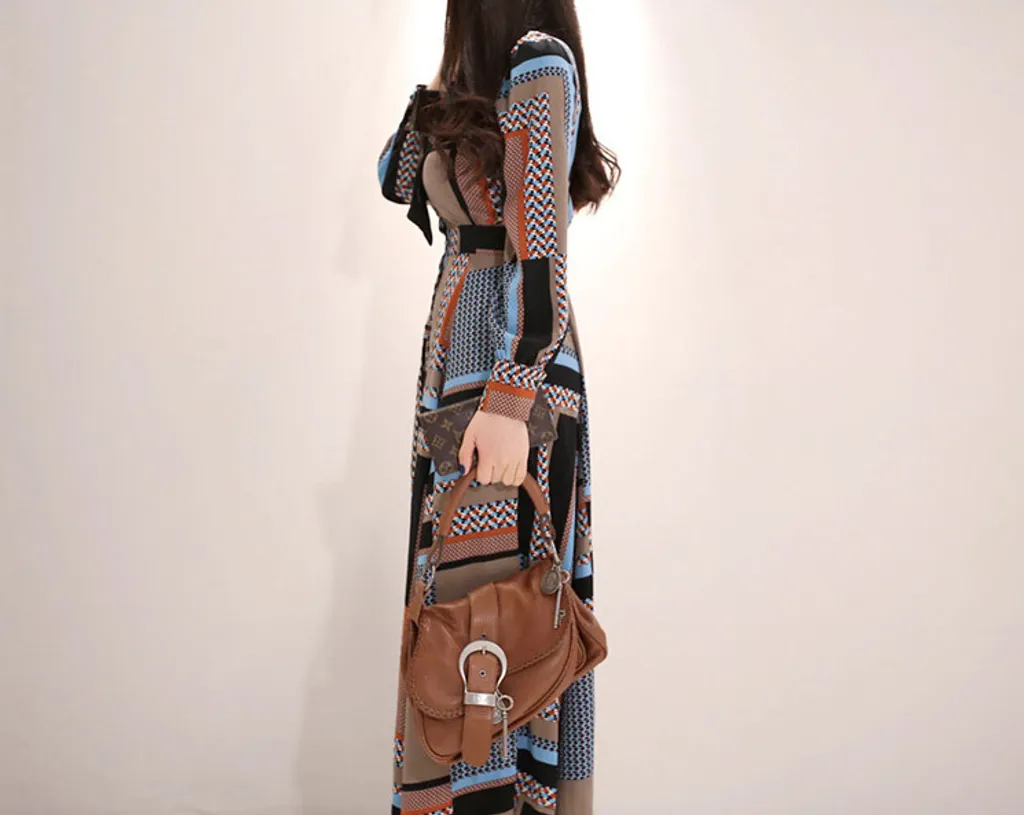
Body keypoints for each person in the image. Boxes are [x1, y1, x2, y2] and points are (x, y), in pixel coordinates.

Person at [377, 1, 618, 813]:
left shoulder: (541, 66)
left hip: (511, 377)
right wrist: (449, 80)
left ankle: (513, 799)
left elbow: (541, 249)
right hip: (461, 379)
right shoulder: (479, 87)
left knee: (507, 608)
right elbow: (395, 175)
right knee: (453, 608)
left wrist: (512, 397)